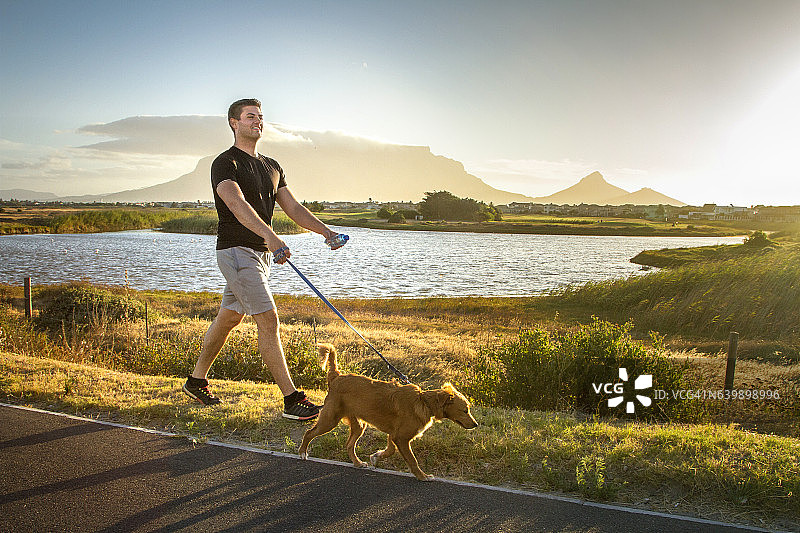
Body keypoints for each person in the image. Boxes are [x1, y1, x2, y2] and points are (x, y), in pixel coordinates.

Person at [183, 98, 344, 420]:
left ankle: (195, 381)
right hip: (237, 251)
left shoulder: (271, 165)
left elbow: (293, 208)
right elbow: (235, 202)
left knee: (229, 318)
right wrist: (270, 236)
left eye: (260, 117)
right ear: (234, 123)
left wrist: (327, 233)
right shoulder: (226, 162)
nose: (257, 122)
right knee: (268, 320)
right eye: (250, 116)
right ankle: (292, 399)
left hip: (259, 256)